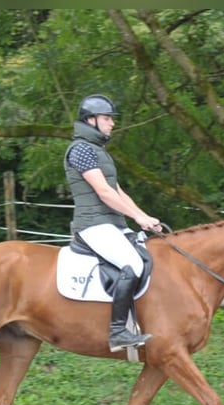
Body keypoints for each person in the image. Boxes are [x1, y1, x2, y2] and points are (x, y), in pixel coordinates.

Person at [64, 94, 162, 352]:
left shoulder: (99, 151)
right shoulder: (81, 150)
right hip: (93, 224)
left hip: (112, 223)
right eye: (107, 119)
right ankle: (118, 331)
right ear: (91, 120)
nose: (112, 124)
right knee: (131, 263)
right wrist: (137, 217)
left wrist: (145, 218)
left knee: (148, 257)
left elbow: (118, 192)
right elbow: (103, 192)